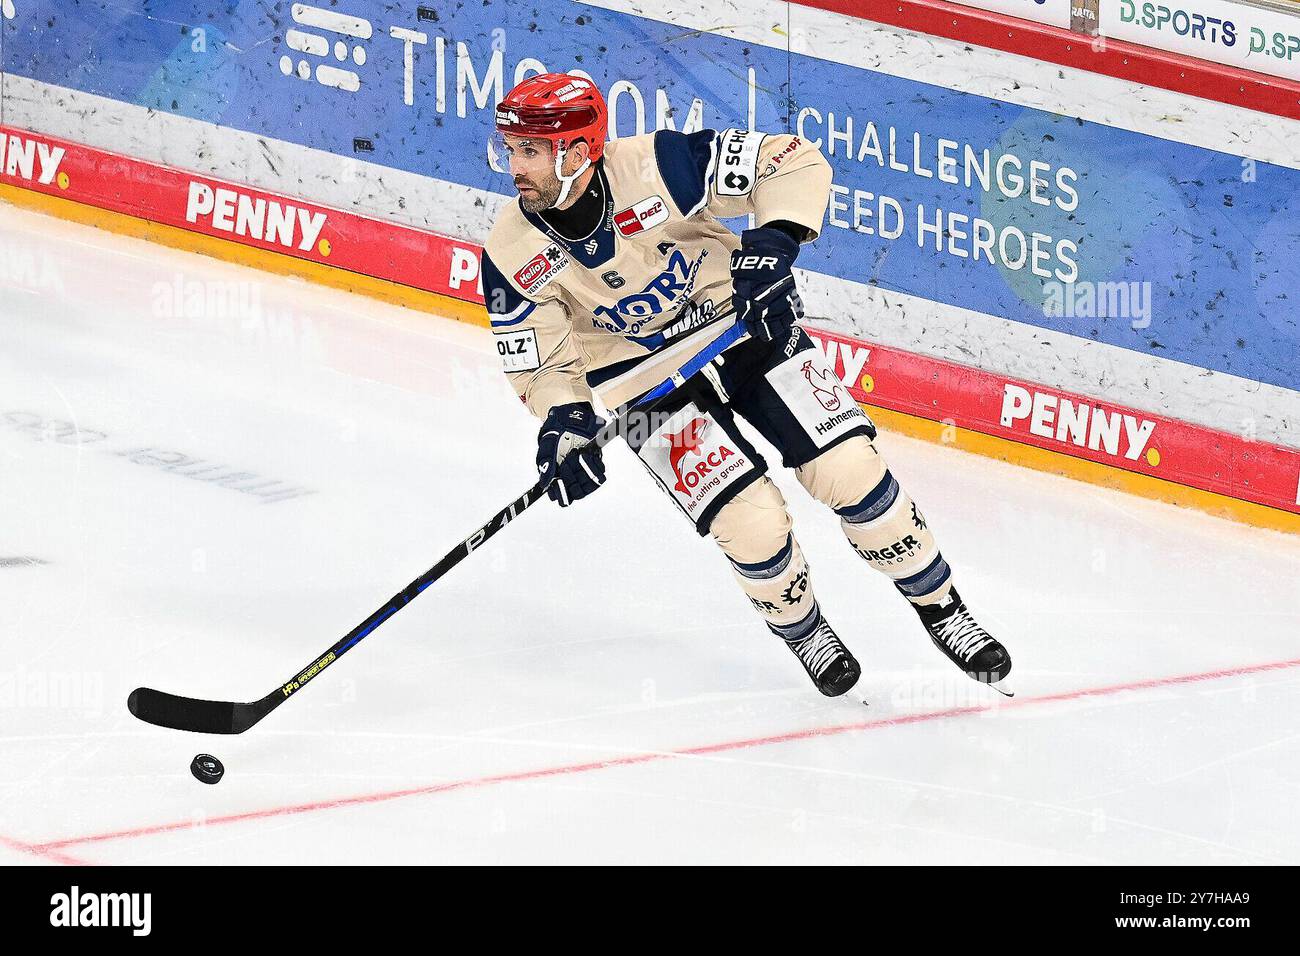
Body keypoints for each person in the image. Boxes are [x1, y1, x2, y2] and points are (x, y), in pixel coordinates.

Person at [481, 73, 1012, 697]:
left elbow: (789, 162)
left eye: (529, 152)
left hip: (741, 326)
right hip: (643, 385)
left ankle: (942, 607)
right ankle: (803, 628)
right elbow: (539, 361)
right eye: (511, 150)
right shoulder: (510, 250)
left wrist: (776, 237)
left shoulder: (658, 165)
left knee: (849, 471)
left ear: (576, 151)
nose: (514, 167)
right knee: (751, 523)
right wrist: (564, 420)